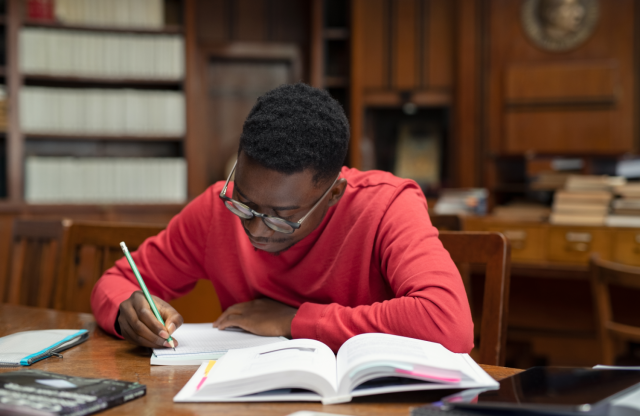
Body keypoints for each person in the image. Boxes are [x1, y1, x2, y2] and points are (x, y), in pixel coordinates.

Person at [90, 83, 474, 353]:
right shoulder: (215, 210)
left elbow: (447, 321)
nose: (255, 229)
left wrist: (295, 322)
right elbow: (117, 281)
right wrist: (128, 312)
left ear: (333, 194)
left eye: (282, 218)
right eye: (243, 201)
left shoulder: (386, 205)